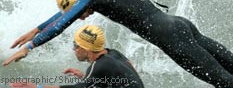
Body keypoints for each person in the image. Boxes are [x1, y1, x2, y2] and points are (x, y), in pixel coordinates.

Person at [2, 0, 233, 88]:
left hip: (169, 37)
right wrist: (34, 27)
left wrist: (31, 45)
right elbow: (64, 14)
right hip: (178, 23)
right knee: (232, 62)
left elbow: (62, 22)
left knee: (221, 79)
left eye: (81, 11)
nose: (85, 16)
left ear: (78, 1)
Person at [9, 25, 145, 88]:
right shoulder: (113, 53)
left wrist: (36, 87)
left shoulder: (99, 66)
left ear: (86, 48)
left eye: (76, 45)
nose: (74, 49)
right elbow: (128, 72)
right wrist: (88, 78)